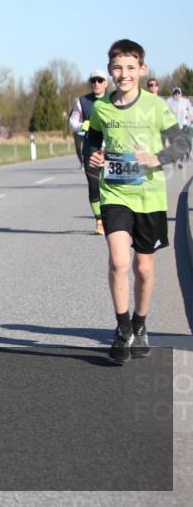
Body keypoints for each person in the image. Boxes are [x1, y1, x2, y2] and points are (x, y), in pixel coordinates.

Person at [86, 39, 189, 363]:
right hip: (115, 194)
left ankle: (141, 324)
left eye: (131, 68)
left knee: (143, 268)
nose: (124, 74)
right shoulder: (101, 108)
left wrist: (157, 157)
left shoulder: (155, 106)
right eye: (117, 68)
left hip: (149, 197)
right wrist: (93, 156)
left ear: (142, 69)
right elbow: (93, 139)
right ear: (110, 70)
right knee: (118, 261)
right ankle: (122, 328)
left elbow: (183, 142)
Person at [68, 70, 111, 234]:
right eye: (93, 81)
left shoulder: (113, 100)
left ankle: (112, 218)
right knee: (94, 186)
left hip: (111, 150)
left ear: (106, 83)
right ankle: (99, 220)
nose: (96, 83)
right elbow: (72, 122)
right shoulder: (82, 101)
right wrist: (82, 125)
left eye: (100, 80)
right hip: (91, 149)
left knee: (110, 185)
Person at [166, 86, 193, 167]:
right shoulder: (169, 101)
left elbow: (190, 110)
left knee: (189, 140)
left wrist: (190, 115)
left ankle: (189, 152)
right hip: (175, 125)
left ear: (181, 93)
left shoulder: (186, 101)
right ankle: (178, 160)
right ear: (172, 94)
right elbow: (165, 112)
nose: (177, 94)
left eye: (178, 93)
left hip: (186, 124)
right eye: (175, 93)